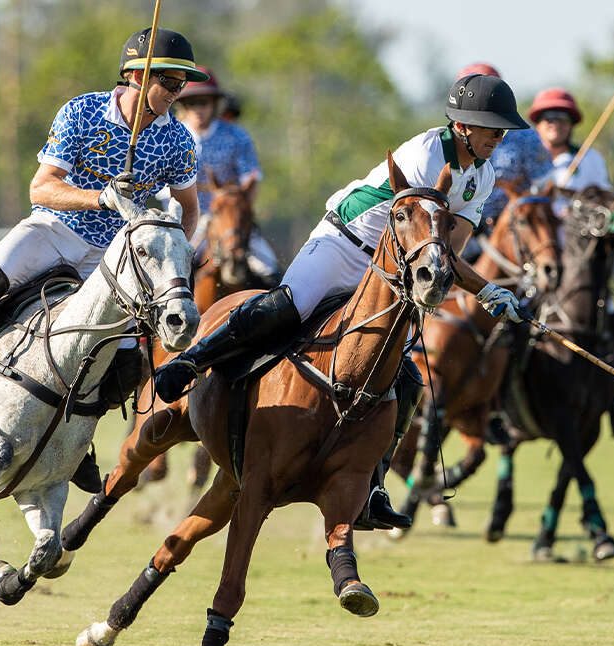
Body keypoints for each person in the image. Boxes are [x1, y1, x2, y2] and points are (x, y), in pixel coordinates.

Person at [154, 74, 530, 529]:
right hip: (345, 244)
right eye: (492, 127)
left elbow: (449, 248)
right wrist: (485, 289)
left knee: (405, 376)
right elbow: (423, 235)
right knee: (289, 307)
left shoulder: (483, 176)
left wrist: (487, 289)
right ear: (464, 126)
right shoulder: (429, 153)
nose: (500, 136)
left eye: (502, 128)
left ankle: (374, 486)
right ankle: (191, 362)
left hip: (390, 267)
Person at [0, 27, 208, 420]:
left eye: (180, 84)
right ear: (134, 74)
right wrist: (101, 197)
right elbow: (41, 188)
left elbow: (189, 208)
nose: (175, 91)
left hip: (112, 257)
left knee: (129, 365)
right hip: (53, 230)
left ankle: (75, 440)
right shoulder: (83, 112)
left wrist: (177, 252)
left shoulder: (178, 141)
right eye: (167, 80)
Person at [529, 87, 614, 436]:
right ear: (538, 123)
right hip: (534, 260)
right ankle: (495, 404)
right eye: (549, 117)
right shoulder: (524, 159)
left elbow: (607, 206)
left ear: (572, 124)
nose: (555, 123)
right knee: (507, 326)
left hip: (580, 266)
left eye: (562, 118)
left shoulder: (590, 162)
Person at [173, 66, 280, 286]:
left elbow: (250, 179)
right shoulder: (172, 135)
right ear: (184, 105)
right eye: (193, 103)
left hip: (230, 216)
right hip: (185, 218)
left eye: (204, 102)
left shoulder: (236, 135)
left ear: (214, 105)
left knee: (270, 269)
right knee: (172, 271)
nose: (198, 109)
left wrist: (240, 214)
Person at [451, 64, 553, 263]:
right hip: (461, 226)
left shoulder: (527, 138)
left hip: (514, 230)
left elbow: (543, 188)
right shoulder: (448, 137)